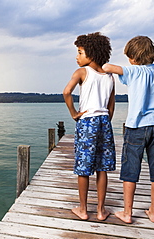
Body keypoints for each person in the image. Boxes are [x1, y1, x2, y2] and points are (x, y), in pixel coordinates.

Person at [102, 36, 154, 223]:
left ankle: (127, 213)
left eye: (129, 57)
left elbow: (107, 67)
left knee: (130, 169)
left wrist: (125, 67)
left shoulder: (133, 71)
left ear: (134, 56)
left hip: (136, 127)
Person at [63, 32, 116, 221]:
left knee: (83, 167)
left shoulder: (82, 72)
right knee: (102, 168)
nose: (77, 57)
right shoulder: (110, 76)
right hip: (104, 122)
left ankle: (84, 209)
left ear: (90, 54)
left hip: (87, 122)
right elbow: (111, 104)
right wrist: (106, 119)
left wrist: (74, 113)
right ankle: (101, 211)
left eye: (79, 52)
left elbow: (67, 92)